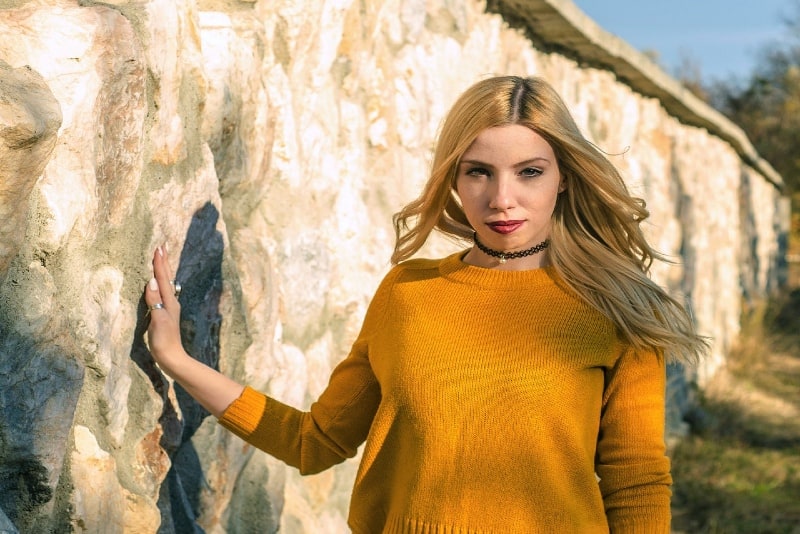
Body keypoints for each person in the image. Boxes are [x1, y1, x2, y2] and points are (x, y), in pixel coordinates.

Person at [144, 75, 708, 533]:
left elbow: (635, 481)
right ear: (454, 181)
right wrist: (179, 361)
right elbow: (315, 442)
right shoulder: (408, 292)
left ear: (563, 178)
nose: (502, 198)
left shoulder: (618, 307)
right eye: (478, 172)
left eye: (529, 172)